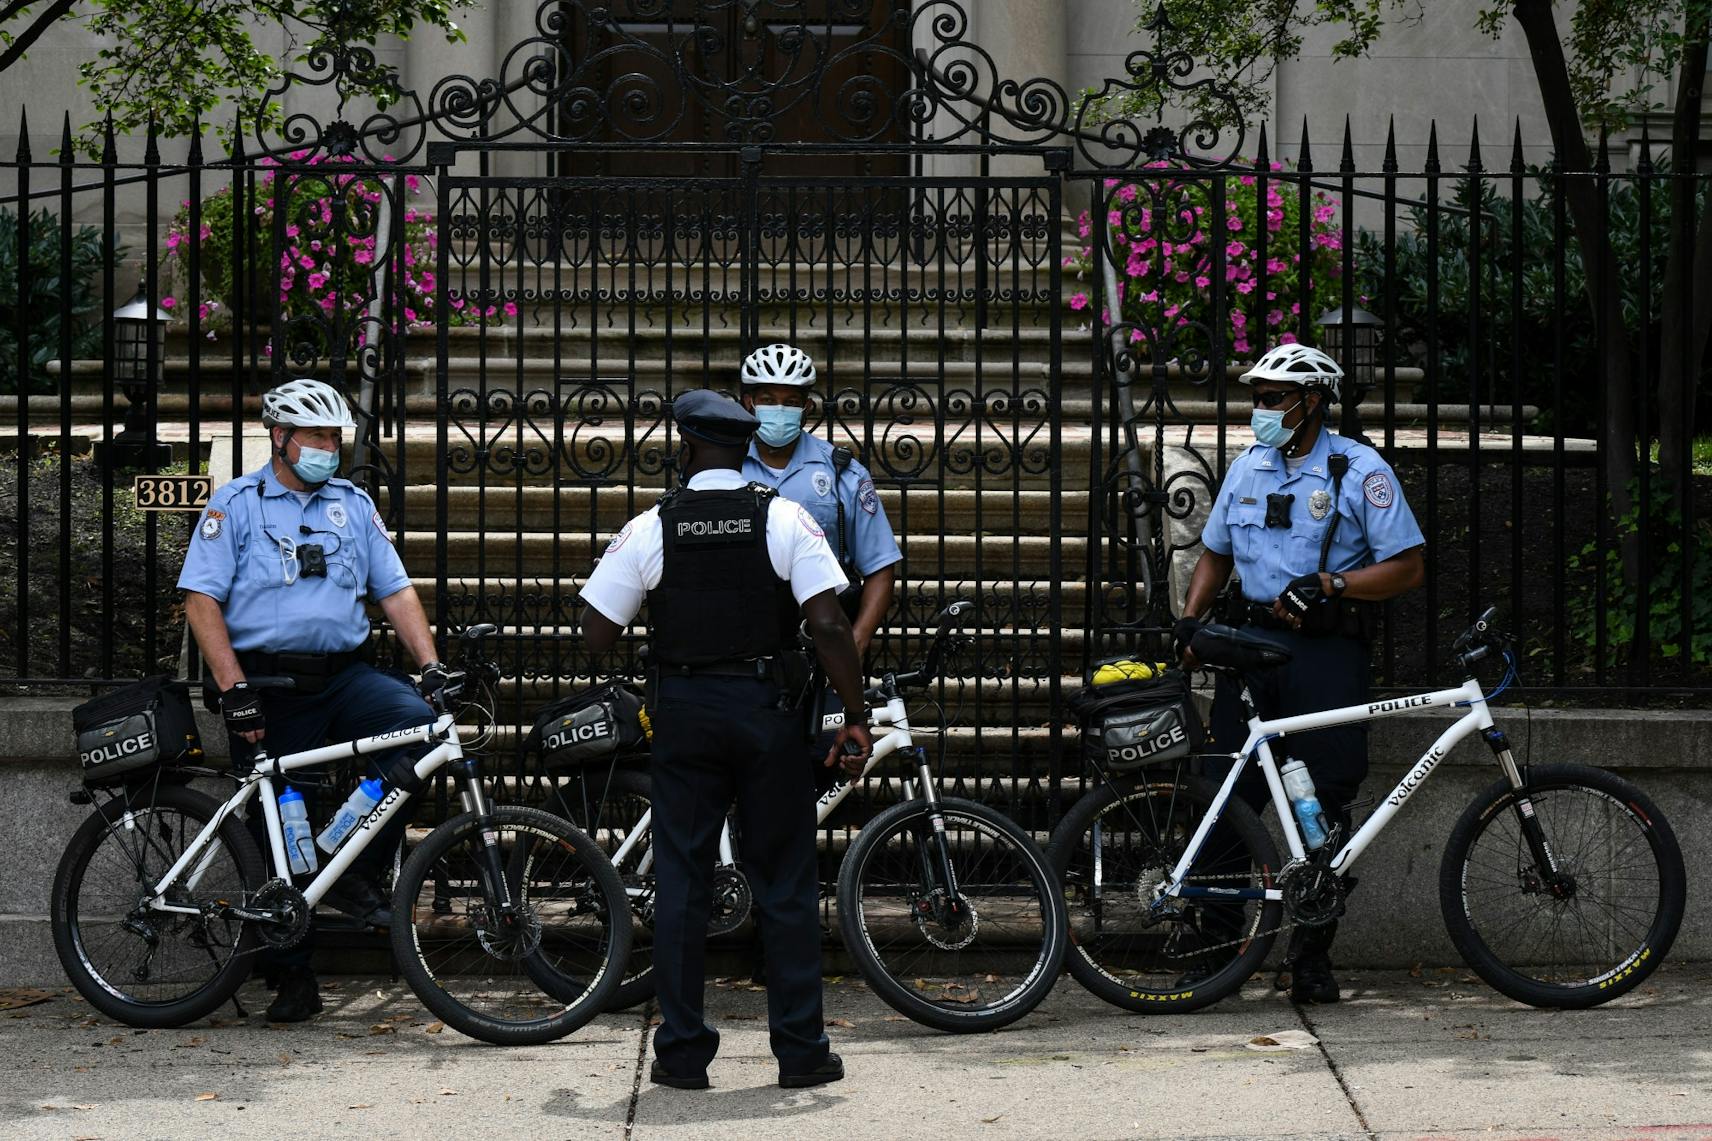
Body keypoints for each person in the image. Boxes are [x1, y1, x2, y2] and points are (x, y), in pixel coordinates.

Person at [579, 389, 874, 1091]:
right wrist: (854, 713)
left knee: (681, 881)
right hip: (767, 712)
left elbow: (594, 629)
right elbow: (830, 626)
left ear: (685, 448)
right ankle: (802, 1049)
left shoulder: (654, 525)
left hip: (683, 714)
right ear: (746, 448)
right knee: (786, 881)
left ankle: (682, 1055)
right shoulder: (785, 518)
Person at [178, 377, 456, 1023]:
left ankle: (354, 869)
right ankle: (290, 976)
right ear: (280, 437)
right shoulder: (236, 504)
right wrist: (234, 690)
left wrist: (432, 666)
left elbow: (395, 590)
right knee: (277, 827)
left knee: (416, 731)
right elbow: (201, 599)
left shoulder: (352, 504)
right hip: (268, 684)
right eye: (317, 435)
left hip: (344, 675)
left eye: (336, 435)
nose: (329, 446)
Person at [1175, 343, 1425, 1005]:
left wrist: (1336, 582)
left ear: (1311, 401)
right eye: (1255, 398)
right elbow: (1215, 554)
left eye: (1271, 399)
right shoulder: (1247, 468)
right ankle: (1214, 948)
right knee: (1226, 797)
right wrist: (1191, 624)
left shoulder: (1360, 470)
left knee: (1325, 810)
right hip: (1252, 649)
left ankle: (1312, 957)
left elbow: (1406, 565)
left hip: (1323, 655)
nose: (1259, 410)